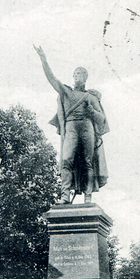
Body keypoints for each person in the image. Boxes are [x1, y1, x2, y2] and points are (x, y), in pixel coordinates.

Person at [34, 45, 109, 204]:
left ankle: (88, 197)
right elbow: (52, 78)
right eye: (75, 74)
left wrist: (92, 112)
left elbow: (102, 119)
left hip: (87, 127)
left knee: (88, 162)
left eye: (80, 73)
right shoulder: (66, 92)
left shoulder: (91, 97)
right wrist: (43, 58)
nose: (77, 76)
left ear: (85, 77)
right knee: (67, 159)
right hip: (71, 127)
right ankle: (65, 196)